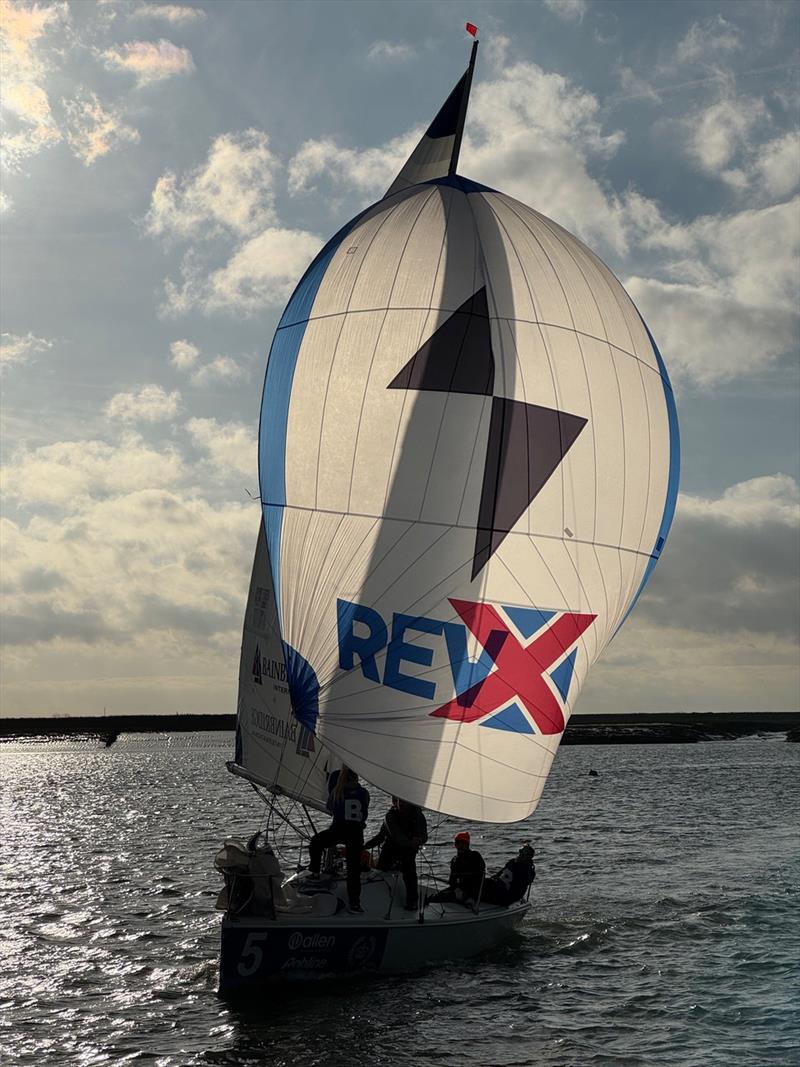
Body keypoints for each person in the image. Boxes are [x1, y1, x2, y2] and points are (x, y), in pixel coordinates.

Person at [307, 766, 370, 913]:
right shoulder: (363, 793)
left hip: (339, 830)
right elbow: (365, 809)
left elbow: (331, 808)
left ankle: (315, 873)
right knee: (353, 871)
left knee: (316, 842)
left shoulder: (338, 792)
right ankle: (355, 904)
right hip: (356, 833)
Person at [364, 797, 428, 910]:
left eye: (404, 801)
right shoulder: (390, 816)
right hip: (391, 850)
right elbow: (385, 836)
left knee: (410, 871)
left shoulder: (418, 815)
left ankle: (412, 901)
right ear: (395, 802)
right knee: (380, 870)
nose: (401, 804)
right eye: (399, 801)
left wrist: (420, 840)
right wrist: (364, 846)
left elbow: (424, 835)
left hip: (407, 853)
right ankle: (376, 899)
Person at [428, 831, 485, 908]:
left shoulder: (475, 856)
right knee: (435, 897)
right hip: (459, 890)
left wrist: (471, 896)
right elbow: (452, 880)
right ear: (455, 845)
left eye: (463, 843)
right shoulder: (455, 860)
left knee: (440, 897)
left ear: (467, 844)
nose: (460, 846)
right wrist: (456, 889)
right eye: (458, 843)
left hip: (471, 891)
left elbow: (480, 877)